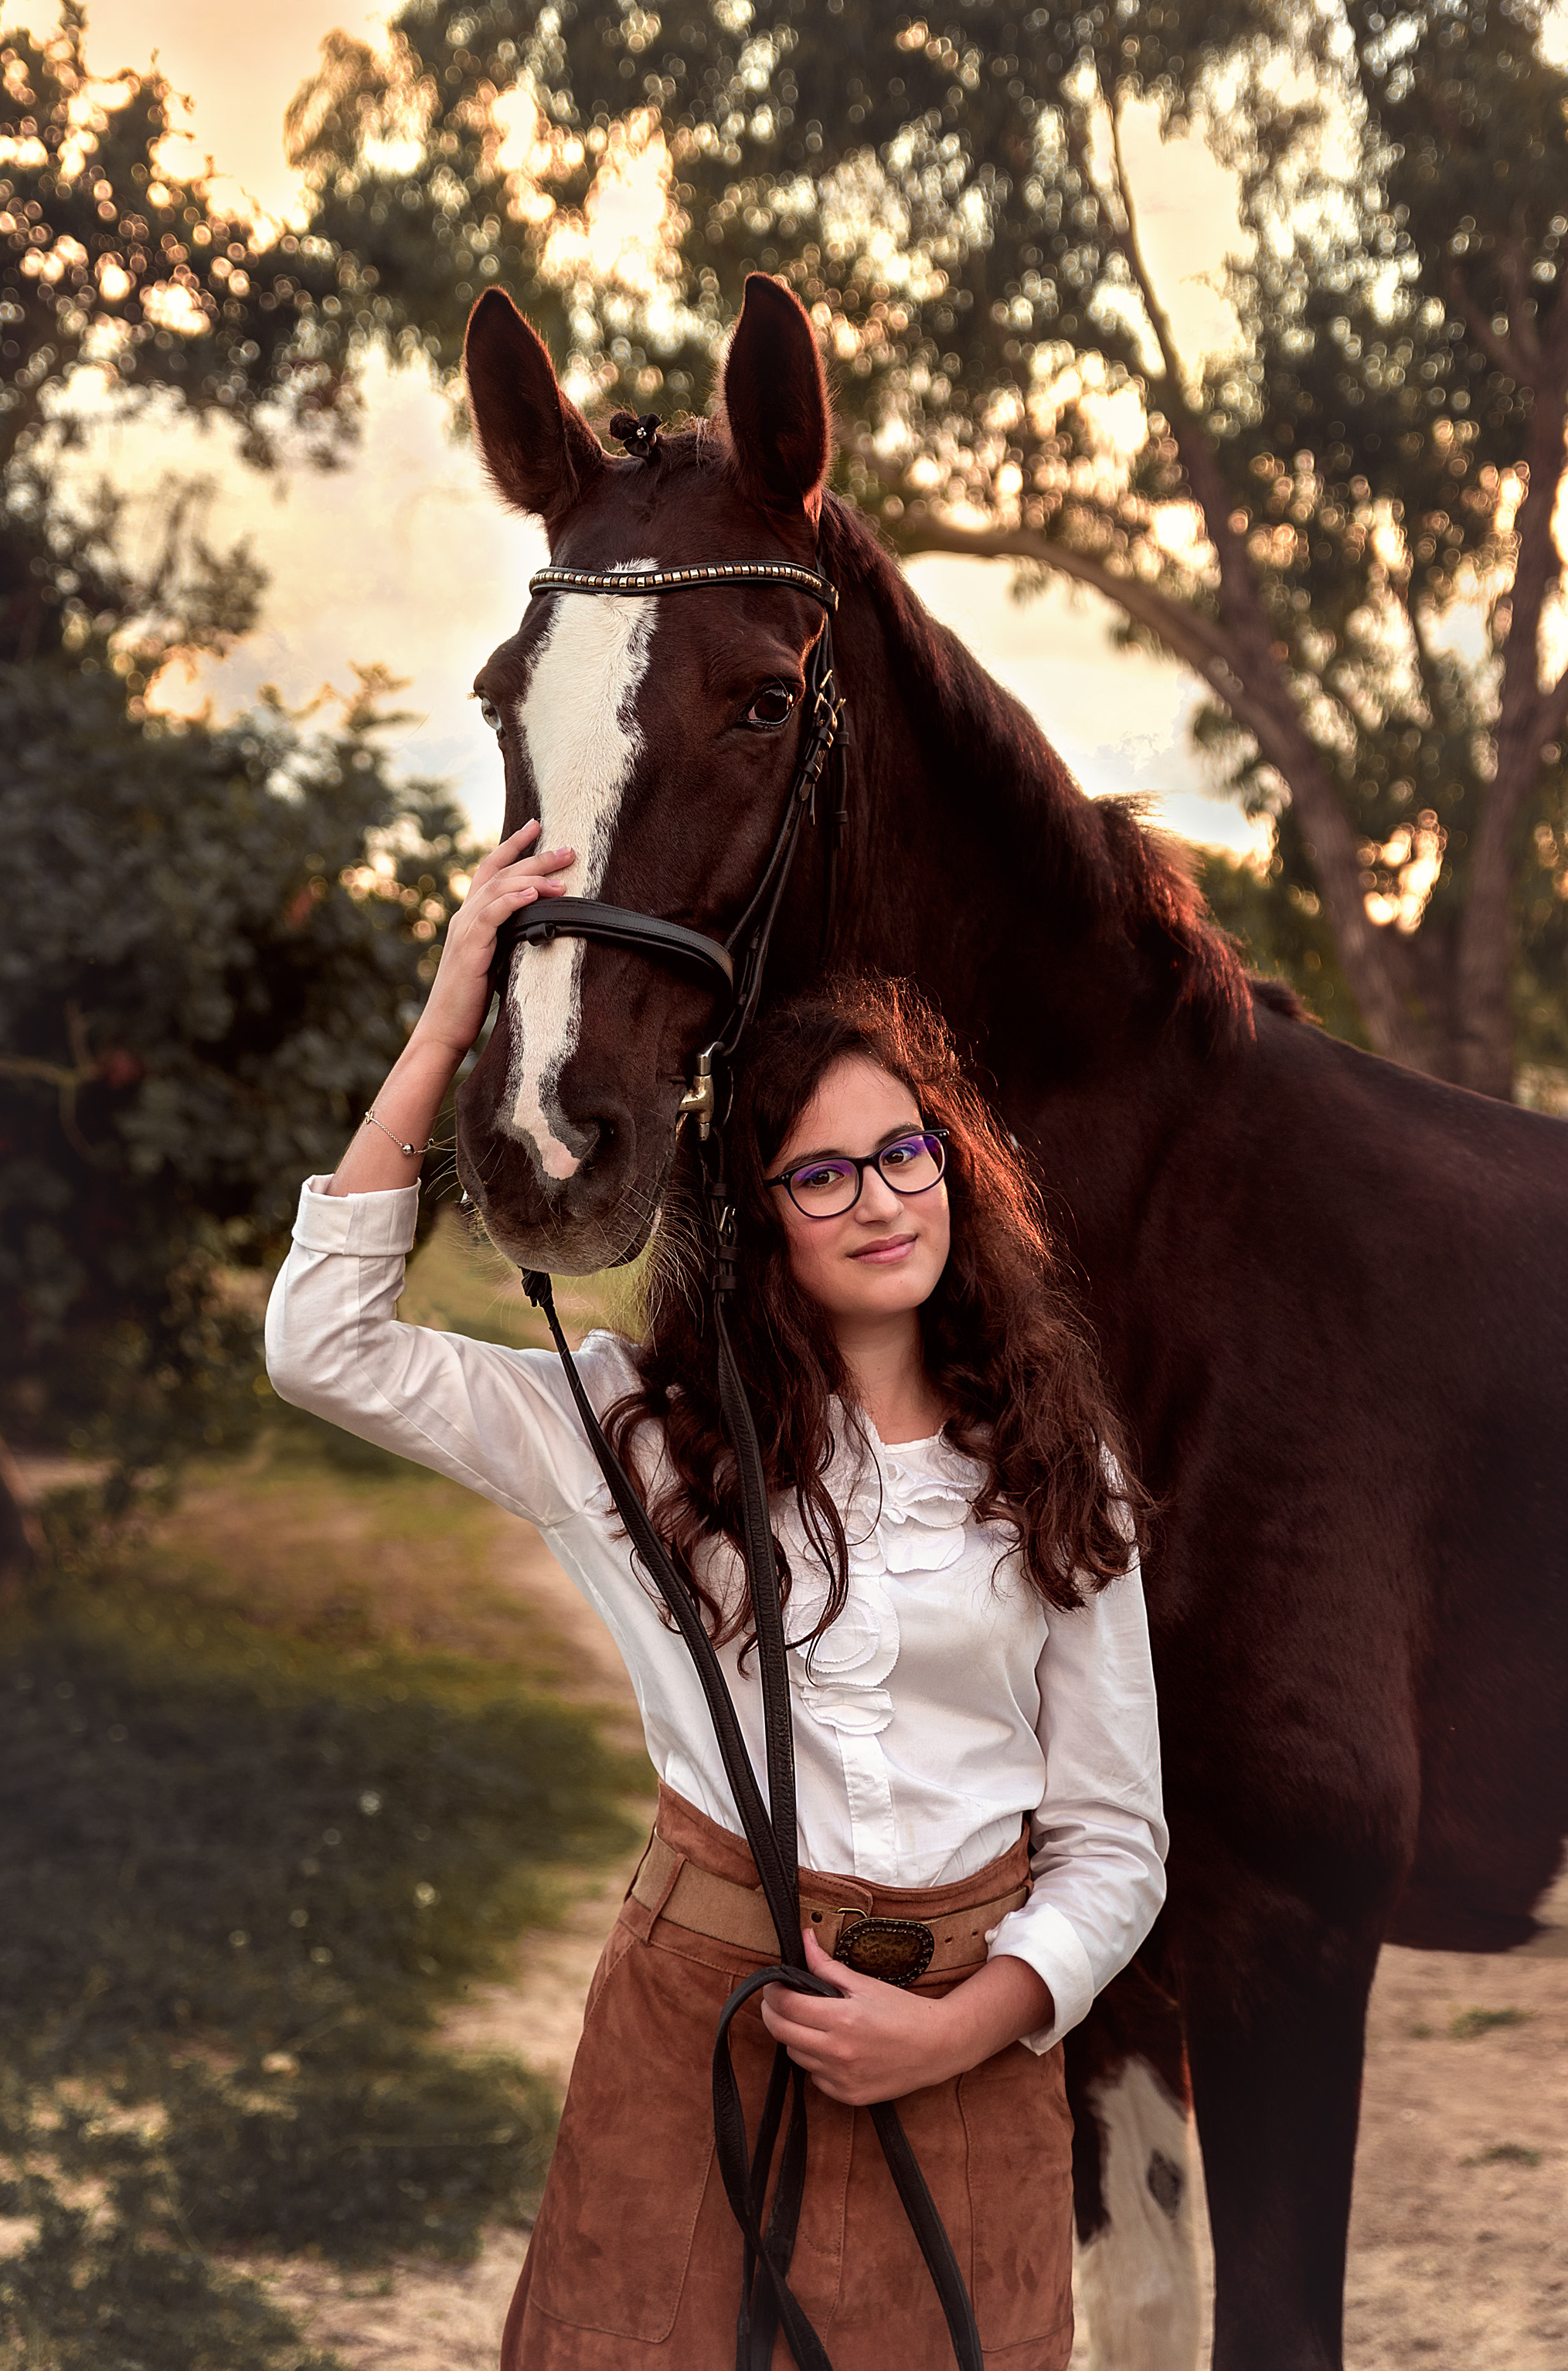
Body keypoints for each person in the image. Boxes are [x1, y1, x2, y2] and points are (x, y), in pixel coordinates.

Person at [265, 822, 1168, 2371]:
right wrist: (446, 1026)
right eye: (821, 1173)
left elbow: (1113, 1836)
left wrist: (958, 2024)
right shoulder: (631, 1431)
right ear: (756, 1216)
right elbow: (323, 1343)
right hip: (700, 2016)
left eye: (906, 1151)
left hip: (963, 2039)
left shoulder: (1051, 1459)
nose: (882, 1199)